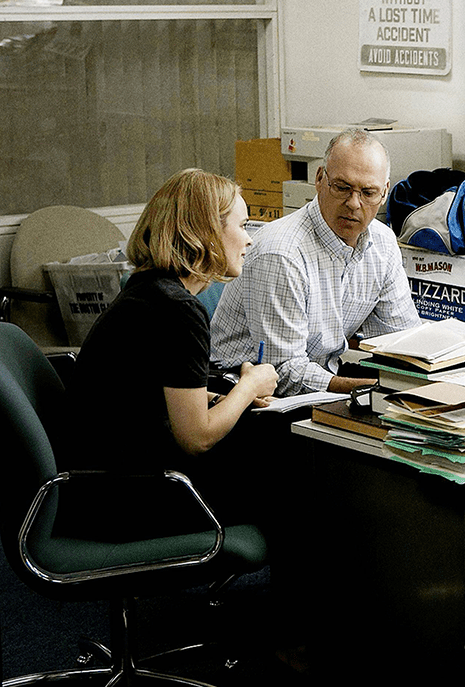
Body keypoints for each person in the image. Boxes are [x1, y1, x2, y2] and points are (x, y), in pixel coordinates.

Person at [65, 169, 279, 540]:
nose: (249, 240)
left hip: (98, 488)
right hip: (136, 500)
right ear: (206, 232)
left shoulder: (148, 290)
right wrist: (249, 385)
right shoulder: (178, 310)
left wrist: (214, 397)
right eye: (243, 226)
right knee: (303, 480)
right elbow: (196, 438)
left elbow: (142, 393)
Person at [210, 127, 420, 396]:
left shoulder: (383, 243)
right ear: (320, 178)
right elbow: (284, 371)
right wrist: (366, 389)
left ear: (385, 193)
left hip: (319, 376)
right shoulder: (281, 253)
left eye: (368, 193)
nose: (354, 203)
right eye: (342, 188)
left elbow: (402, 339)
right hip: (243, 393)